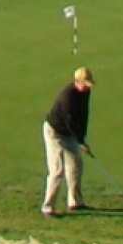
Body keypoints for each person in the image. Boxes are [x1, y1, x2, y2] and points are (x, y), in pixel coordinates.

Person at [41, 66, 93, 216]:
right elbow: (70, 122)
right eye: (85, 83)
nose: (87, 87)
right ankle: (48, 206)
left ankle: (75, 201)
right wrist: (80, 142)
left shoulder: (86, 91)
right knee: (58, 170)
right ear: (78, 81)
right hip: (54, 132)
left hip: (69, 133)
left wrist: (83, 138)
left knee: (76, 164)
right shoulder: (68, 97)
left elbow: (84, 114)